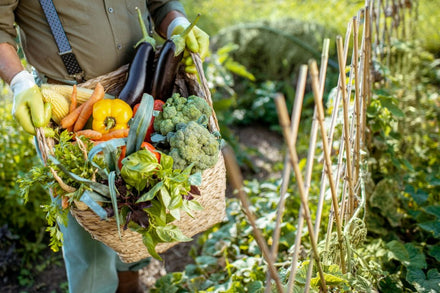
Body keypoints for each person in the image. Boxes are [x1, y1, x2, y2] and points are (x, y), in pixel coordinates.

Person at [0, 1, 209, 292]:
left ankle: (129, 282)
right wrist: (20, 82)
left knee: (136, 211)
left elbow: (160, 3)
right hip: (73, 111)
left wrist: (176, 24)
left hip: (144, 90)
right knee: (92, 238)